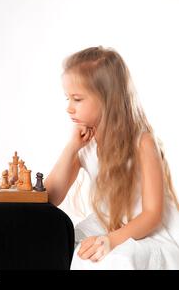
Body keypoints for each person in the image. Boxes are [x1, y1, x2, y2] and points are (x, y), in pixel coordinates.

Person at [45, 46, 179, 269]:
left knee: (117, 259)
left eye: (77, 99)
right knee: (63, 246)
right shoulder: (84, 142)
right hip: (107, 224)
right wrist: (71, 148)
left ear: (107, 100)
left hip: (146, 231)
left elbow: (152, 214)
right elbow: (51, 196)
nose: (69, 108)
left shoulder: (142, 142)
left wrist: (112, 240)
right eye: (67, 98)